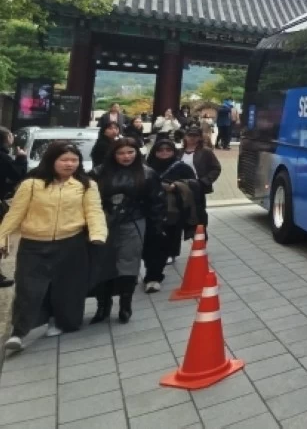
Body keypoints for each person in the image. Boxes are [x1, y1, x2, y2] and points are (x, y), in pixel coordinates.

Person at [0, 141, 108, 354]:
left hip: (71, 242)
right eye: (64, 159)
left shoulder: (86, 185)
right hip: (34, 244)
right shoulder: (31, 185)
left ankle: (60, 321)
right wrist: (2, 236)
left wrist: (98, 234)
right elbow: (15, 214)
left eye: (74, 160)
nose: (69, 164)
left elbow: (94, 212)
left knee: (67, 287)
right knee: (28, 288)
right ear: (52, 160)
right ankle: (19, 332)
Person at [90, 138, 165, 323]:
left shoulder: (147, 173)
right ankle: (103, 305)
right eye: (121, 153)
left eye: (130, 152)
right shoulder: (98, 173)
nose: (126, 156)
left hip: (134, 221)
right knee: (102, 263)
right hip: (103, 223)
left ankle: (125, 305)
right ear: (113, 154)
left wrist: (157, 227)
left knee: (129, 262)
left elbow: (157, 202)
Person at [143, 138, 198, 292]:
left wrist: (176, 186)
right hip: (148, 211)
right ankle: (151, 269)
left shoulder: (182, 167)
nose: (164, 153)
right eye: (160, 150)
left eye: (168, 150)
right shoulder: (146, 168)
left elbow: (194, 185)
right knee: (150, 243)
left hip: (172, 211)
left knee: (165, 241)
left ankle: (154, 276)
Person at [0, 127, 29, 289]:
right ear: (6, 139)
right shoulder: (3, 157)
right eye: (10, 135)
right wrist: (22, 158)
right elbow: (17, 174)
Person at [179, 125, 221, 236]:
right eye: (190, 135)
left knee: (198, 215)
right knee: (183, 214)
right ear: (185, 136)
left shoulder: (205, 152)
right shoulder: (179, 152)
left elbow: (216, 168)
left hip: (197, 188)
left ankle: (200, 238)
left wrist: (204, 181)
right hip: (181, 188)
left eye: (195, 136)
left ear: (200, 137)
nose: (192, 138)